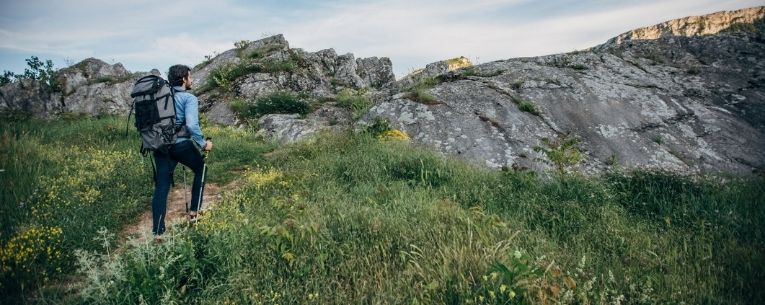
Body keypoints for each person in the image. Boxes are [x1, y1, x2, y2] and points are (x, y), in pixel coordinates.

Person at [151, 64, 213, 239]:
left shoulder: (159, 97)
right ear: (184, 79)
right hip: (181, 145)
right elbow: (192, 125)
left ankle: (158, 233)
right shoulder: (188, 98)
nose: (192, 80)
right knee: (201, 169)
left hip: (161, 146)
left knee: (161, 186)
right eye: (190, 77)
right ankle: (195, 212)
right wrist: (203, 144)